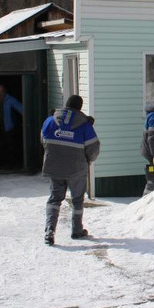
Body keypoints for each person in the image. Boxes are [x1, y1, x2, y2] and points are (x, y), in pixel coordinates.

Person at [41, 95, 100, 246]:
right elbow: (93, 148)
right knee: (77, 200)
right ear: (80, 107)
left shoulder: (50, 120)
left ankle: (49, 232)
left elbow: (43, 139)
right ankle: (77, 230)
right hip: (76, 168)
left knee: (54, 198)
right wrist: (88, 160)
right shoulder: (85, 125)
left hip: (54, 166)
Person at [0, 84, 24, 168]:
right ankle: (2, 164)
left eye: (1, 91)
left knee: (10, 146)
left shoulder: (10, 100)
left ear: (5, 92)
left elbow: (22, 109)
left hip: (9, 128)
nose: (0, 94)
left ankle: (11, 164)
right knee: (0, 146)